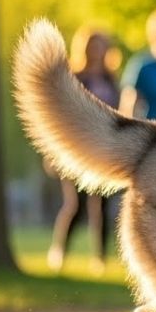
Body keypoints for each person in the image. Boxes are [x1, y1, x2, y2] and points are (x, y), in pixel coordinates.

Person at [47, 25, 121, 273]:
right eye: (92, 46)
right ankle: (60, 252)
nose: (97, 51)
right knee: (76, 206)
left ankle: (99, 258)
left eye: (101, 46)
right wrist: (52, 152)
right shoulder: (74, 78)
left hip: (104, 149)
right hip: (75, 149)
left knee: (102, 206)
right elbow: (58, 116)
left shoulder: (112, 80)